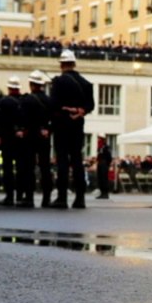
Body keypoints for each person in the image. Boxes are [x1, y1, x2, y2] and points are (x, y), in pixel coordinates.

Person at [48, 49, 95, 209]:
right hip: (78, 125)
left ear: (62, 64)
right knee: (76, 160)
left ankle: (62, 197)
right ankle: (80, 198)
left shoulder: (59, 82)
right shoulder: (85, 83)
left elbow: (53, 104)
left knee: (62, 160)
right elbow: (91, 105)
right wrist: (80, 111)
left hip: (62, 124)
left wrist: (67, 110)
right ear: (74, 64)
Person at [20, 70, 53, 208]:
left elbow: (22, 118)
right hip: (44, 137)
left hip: (30, 137)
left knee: (29, 168)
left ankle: (29, 197)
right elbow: (54, 119)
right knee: (45, 168)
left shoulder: (27, 100)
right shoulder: (49, 100)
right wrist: (47, 130)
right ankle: (46, 198)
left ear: (31, 84)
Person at [0, 76, 26, 206]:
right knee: (21, 168)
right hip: (21, 140)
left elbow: (0, 121)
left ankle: (9, 196)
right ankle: (20, 195)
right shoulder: (25, 101)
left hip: (7, 139)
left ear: (9, 88)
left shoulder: (4, 102)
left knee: (8, 168)